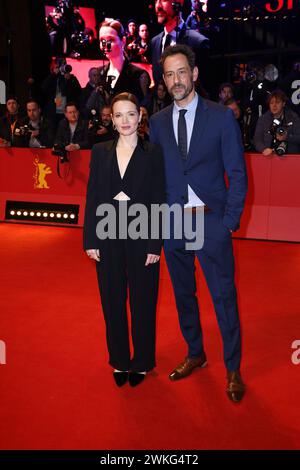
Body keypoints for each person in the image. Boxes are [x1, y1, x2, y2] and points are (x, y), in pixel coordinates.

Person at [149, 45, 247, 403]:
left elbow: (237, 173)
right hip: (174, 223)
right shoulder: (157, 123)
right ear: (164, 80)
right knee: (182, 294)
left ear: (194, 73)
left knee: (223, 297)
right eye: (169, 74)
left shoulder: (221, 117)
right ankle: (196, 352)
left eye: (181, 72)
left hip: (211, 222)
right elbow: (157, 175)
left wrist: (229, 223)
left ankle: (233, 367)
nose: (176, 80)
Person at [83, 92, 165, 387]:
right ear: (111, 119)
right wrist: (90, 238)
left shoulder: (153, 152)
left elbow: (159, 199)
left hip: (142, 234)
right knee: (112, 301)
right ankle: (119, 360)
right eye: (118, 115)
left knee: (144, 301)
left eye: (130, 114)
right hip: (106, 234)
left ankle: (142, 361)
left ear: (140, 115)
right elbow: (92, 196)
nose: (125, 121)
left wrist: (155, 243)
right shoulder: (100, 150)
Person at [86, 18, 150, 112]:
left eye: (110, 39)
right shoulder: (99, 73)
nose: (105, 45)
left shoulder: (138, 75)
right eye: (102, 40)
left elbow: (144, 110)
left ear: (123, 41)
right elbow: (89, 107)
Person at [151, 0, 209, 89]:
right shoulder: (154, 43)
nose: (157, 6)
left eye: (163, 0)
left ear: (179, 3)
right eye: (156, 1)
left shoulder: (198, 43)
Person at [254, 89, 300, 155]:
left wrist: (287, 137)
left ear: (283, 103)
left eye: (277, 102)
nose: (274, 106)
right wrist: (263, 149)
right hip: (269, 157)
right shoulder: (263, 119)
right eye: (271, 103)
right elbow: (257, 139)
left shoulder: (293, 117)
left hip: (290, 157)